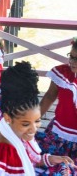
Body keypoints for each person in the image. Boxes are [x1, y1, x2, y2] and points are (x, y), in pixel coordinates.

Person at [0, 61, 76, 175]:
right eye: (26, 124)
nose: (34, 129)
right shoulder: (6, 148)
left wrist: (51, 159)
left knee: (65, 165)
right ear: (8, 117)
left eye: (37, 121)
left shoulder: (11, 123)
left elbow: (32, 157)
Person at [35, 39, 77, 173]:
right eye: (71, 56)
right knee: (36, 159)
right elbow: (48, 97)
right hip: (58, 132)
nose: (72, 61)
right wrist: (32, 120)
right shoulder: (62, 73)